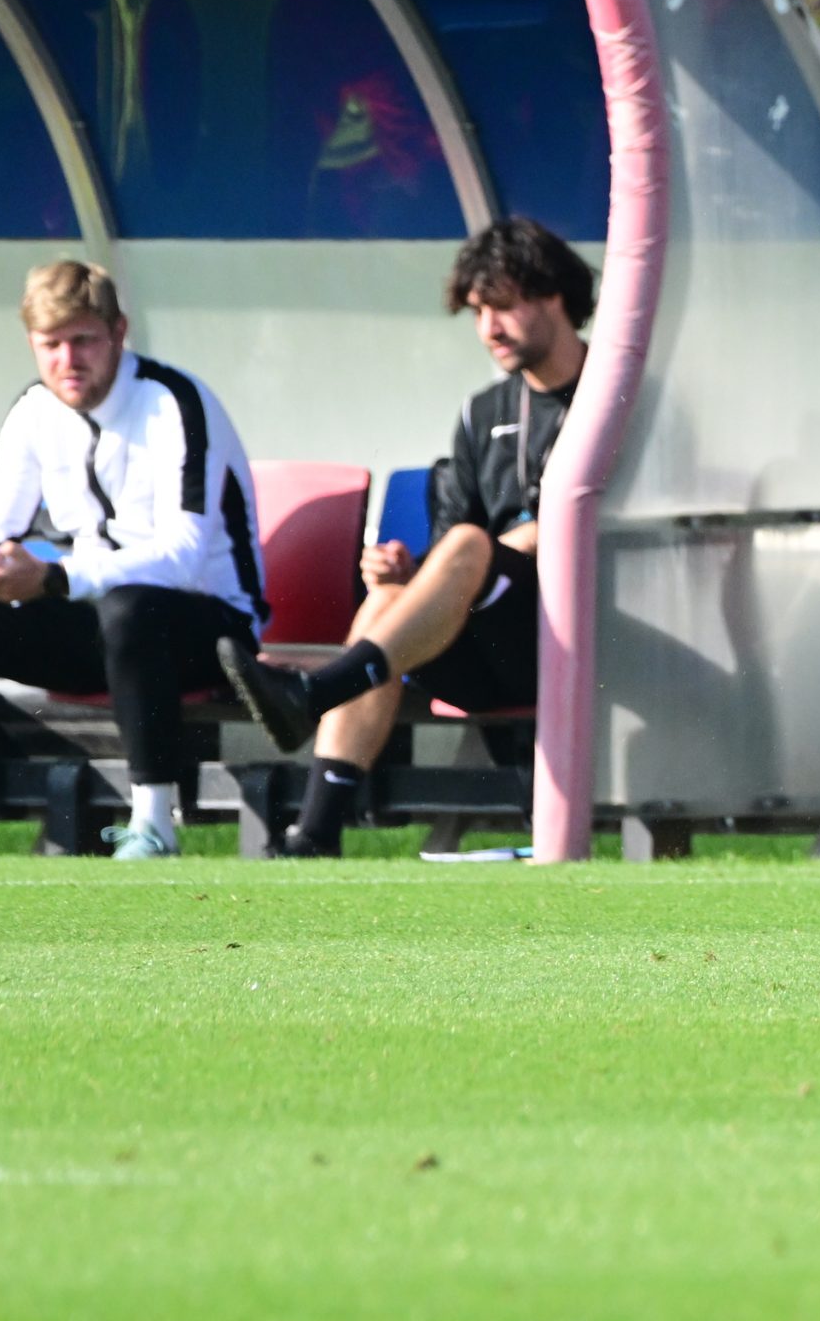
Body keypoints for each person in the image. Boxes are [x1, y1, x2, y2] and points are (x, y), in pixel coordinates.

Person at [219, 218, 591, 856]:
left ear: (553, 293)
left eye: (501, 307)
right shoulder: (483, 413)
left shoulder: (617, 396)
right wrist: (405, 572)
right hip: (496, 643)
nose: (488, 330)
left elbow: (618, 527)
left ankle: (315, 696)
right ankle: (315, 834)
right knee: (390, 603)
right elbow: (455, 541)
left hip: (591, 643)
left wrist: (519, 541)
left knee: (473, 547)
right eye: (477, 313)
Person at [0, 261, 266, 859]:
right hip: (99, 628)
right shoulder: (33, 411)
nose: (68, 359)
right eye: (52, 344)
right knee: (105, 611)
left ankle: (153, 823)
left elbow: (184, 558)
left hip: (212, 631)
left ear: (119, 332)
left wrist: (55, 577)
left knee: (128, 609)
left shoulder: (175, 402)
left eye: (84, 340)